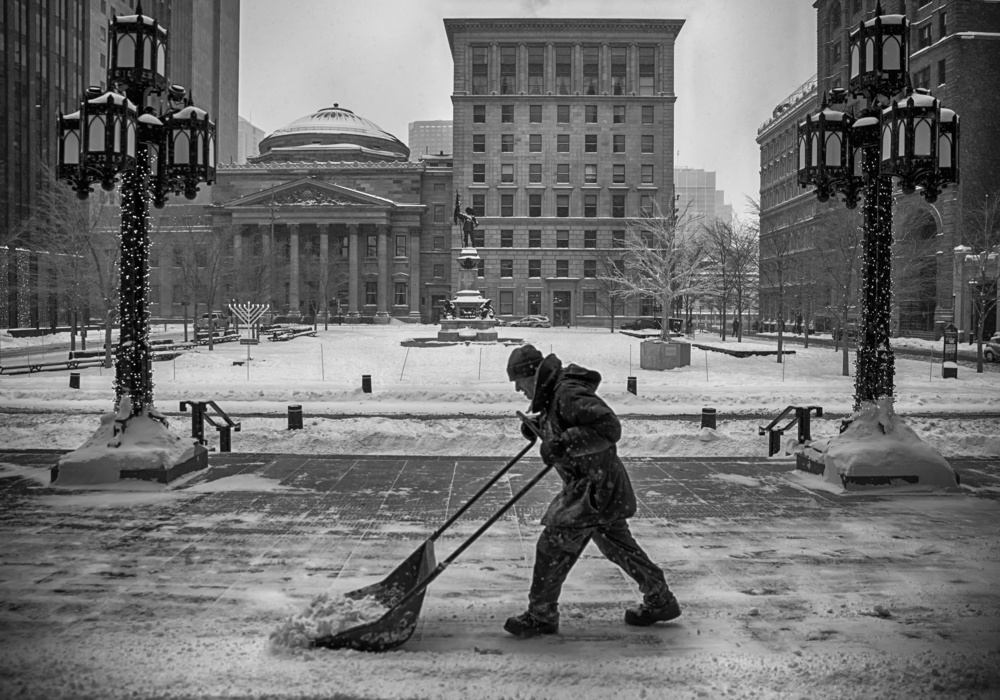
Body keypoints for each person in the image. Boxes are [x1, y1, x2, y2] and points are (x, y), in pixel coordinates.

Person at [503, 344, 681, 638]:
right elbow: (570, 421)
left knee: (553, 545)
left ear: (533, 375)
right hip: (600, 486)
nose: (518, 389)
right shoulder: (556, 392)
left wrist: (562, 443)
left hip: (592, 490)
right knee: (618, 546)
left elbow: (608, 427)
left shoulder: (567, 393)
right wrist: (541, 427)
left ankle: (541, 615)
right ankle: (660, 600)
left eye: (519, 381)